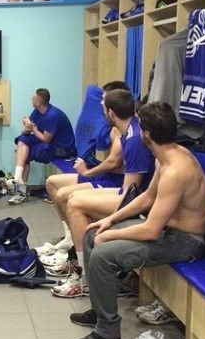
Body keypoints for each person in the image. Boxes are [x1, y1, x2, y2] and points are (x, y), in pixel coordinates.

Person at [69, 102, 205, 339]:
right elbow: (147, 197)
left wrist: (110, 235)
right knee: (92, 233)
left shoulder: (177, 169)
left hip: (185, 241)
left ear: (146, 134)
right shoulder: (165, 157)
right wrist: (110, 220)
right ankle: (99, 311)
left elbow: (150, 231)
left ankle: (107, 333)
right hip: (165, 230)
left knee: (102, 254)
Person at [44, 88, 155, 297]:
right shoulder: (128, 131)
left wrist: (110, 217)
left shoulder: (133, 138)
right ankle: (79, 259)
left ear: (111, 113)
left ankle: (87, 277)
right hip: (130, 192)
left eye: (104, 107)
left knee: (74, 203)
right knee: (71, 197)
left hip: (137, 201)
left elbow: (129, 193)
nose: (102, 110)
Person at [7, 88, 77, 205]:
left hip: (61, 149)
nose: (31, 100)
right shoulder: (38, 111)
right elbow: (27, 129)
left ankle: (20, 192)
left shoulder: (52, 115)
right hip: (49, 142)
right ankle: (17, 178)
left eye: (33, 98)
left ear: (39, 102)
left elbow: (45, 138)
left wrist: (32, 128)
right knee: (23, 140)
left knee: (24, 153)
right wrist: (26, 124)